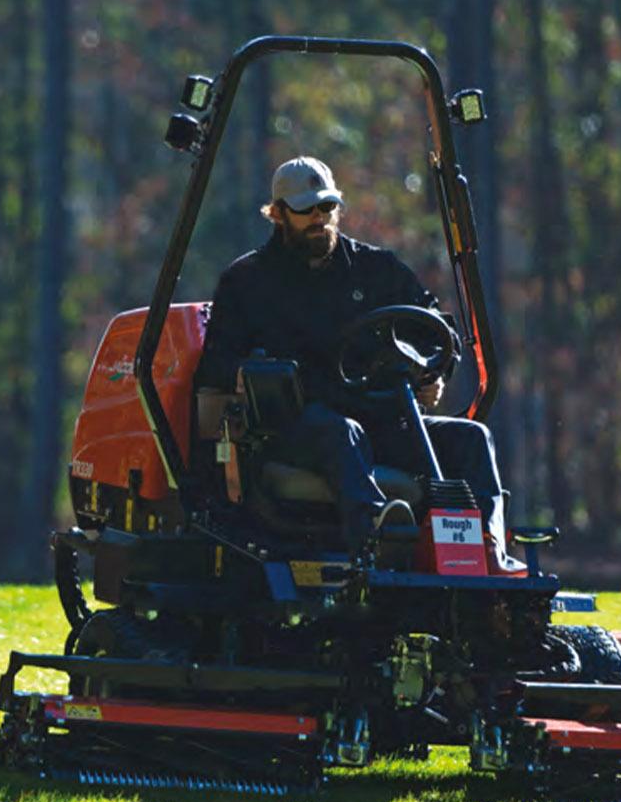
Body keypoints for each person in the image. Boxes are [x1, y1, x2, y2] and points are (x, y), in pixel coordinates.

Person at [195, 156, 508, 559]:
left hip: (381, 416)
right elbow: (216, 366)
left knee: (471, 437)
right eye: (305, 210)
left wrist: (433, 372)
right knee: (342, 433)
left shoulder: (376, 270)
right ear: (277, 214)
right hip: (293, 429)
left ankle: (486, 550)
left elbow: (436, 331)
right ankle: (376, 540)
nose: (318, 218)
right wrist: (248, 375)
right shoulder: (248, 282)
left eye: (326, 207)